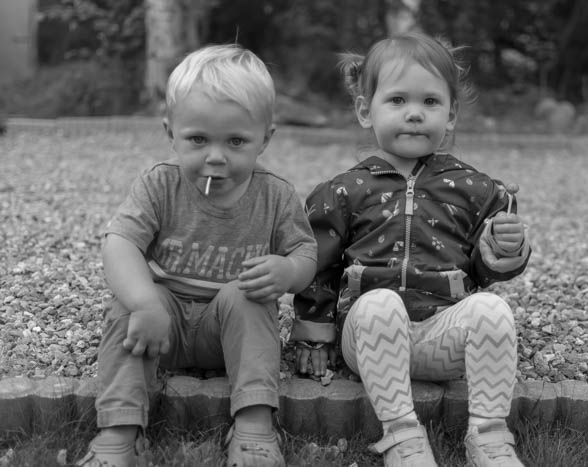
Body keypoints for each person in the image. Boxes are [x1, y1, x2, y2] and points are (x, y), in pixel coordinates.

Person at [292, 32, 531, 467]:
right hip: (370, 339)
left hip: (443, 336)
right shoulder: (344, 190)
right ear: (366, 111)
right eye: (398, 100)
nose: (415, 113)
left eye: (430, 102)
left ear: (451, 115)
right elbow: (318, 264)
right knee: (378, 303)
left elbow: (486, 269)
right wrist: (313, 330)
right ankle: (403, 436)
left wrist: (505, 248)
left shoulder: (475, 188)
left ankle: (489, 436)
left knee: (493, 309)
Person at [77, 44, 317, 467]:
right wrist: (145, 303)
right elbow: (120, 243)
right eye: (198, 139)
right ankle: (119, 430)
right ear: (171, 133)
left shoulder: (275, 195)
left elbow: (305, 251)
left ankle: (254, 426)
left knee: (250, 296)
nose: (216, 157)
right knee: (125, 307)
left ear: (265, 139)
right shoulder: (160, 184)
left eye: (236, 141)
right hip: (159, 326)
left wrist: (289, 270)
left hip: (228, 333)